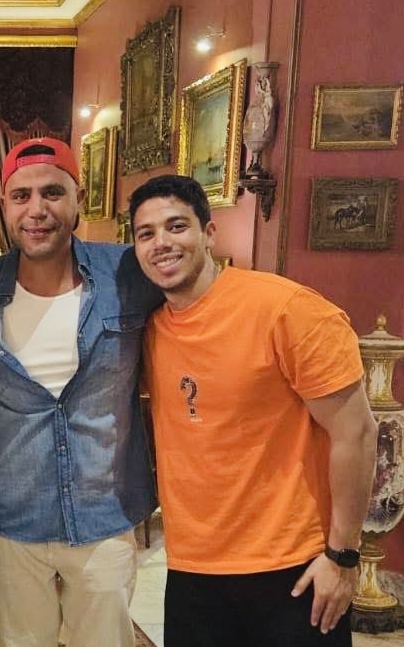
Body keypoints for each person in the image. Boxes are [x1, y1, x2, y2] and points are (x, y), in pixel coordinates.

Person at [128, 174, 377, 647]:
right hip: (192, 570)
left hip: (292, 566)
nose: (162, 243)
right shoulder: (151, 331)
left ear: (209, 233)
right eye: (146, 233)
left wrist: (343, 556)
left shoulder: (288, 311)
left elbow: (358, 434)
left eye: (177, 226)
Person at [0, 137, 161, 647]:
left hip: (104, 514)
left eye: (52, 192)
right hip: (14, 517)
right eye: (21, 196)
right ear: (4, 205)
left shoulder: (127, 274)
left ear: (78, 198)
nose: (37, 210)